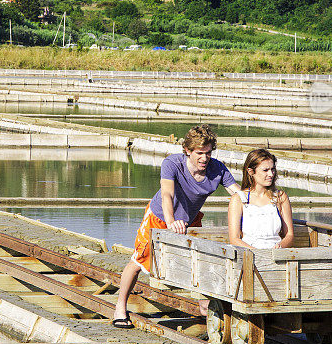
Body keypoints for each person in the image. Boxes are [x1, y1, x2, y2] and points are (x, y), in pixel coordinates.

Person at [112, 124, 243, 328]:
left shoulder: (217, 168)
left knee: (202, 261)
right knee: (139, 261)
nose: (204, 158)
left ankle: (203, 305)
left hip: (191, 220)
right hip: (161, 216)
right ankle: (120, 307)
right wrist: (171, 222)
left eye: (208, 153)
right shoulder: (172, 163)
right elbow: (167, 194)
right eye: (199, 153)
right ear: (188, 151)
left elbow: (239, 194)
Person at [228, 148, 294, 250]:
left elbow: (289, 235)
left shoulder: (280, 197)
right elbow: (234, 238)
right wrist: (256, 253)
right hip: (248, 255)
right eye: (265, 170)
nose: (271, 174)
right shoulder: (238, 199)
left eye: (272, 169)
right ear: (251, 172)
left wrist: (280, 246)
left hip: (276, 255)